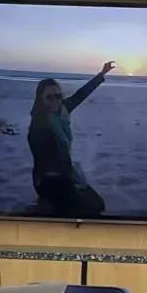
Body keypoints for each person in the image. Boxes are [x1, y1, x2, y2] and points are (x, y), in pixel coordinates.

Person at [26, 64, 113, 218]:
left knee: (98, 203)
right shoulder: (39, 126)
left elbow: (81, 94)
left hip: (66, 174)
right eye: (50, 97)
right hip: (48, 180)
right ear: (40, 99)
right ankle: (46, 204)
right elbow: (43, 163)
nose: (55, 101)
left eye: (58, 96)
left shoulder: (63, 110)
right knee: (88, 210)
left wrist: (101, 74)